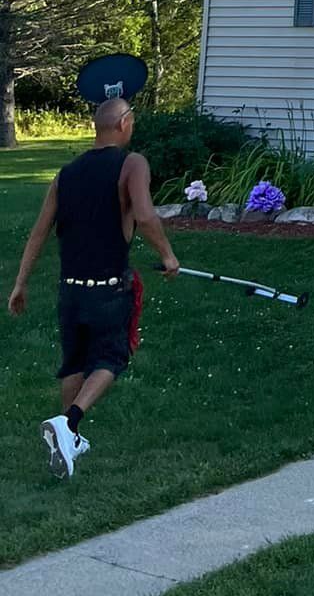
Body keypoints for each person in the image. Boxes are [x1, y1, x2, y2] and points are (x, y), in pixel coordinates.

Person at [7, 94, 180, 478]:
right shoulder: (132, 163)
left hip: (69, 291)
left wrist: (20, 284)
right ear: (123, 124)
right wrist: (168, 255)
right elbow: (147, 216)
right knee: (112, 357)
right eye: (131, 122)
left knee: (75, 363)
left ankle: (70, 444)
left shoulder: (65, 174)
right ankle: (68, 424)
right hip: (108, 289)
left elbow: (38, 233)